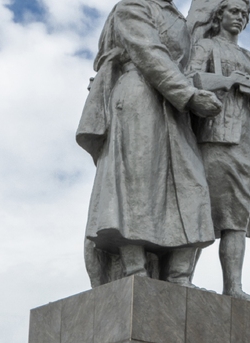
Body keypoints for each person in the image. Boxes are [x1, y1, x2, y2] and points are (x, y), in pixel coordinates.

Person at [76, 0, 223, 288]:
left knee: (193, 184)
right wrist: (189, 95)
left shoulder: (177, 17)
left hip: (174, 104)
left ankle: (180, 276)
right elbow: (149, 52)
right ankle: (134, 269)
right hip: (140, 96)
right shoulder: (132, 6)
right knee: (136, 183)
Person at [187, 0, 250, 302]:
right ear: (220, 14)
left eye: (245, 14)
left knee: (237, 219)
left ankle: (233, 287)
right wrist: (228, 81)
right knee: (201, 210)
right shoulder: (206, 46)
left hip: (246, 144)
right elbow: (190, 78)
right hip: (214, 137)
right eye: (234, 11)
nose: (240, 17)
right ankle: (182, 279)